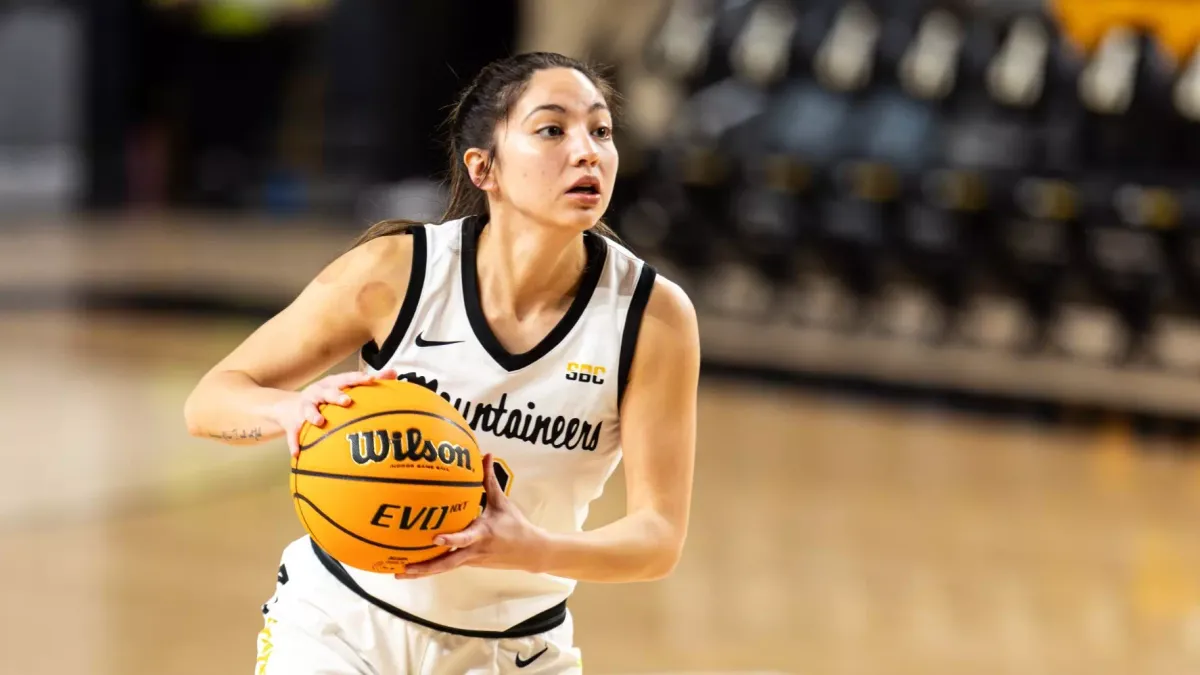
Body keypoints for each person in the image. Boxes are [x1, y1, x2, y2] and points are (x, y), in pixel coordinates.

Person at [183, 52, 701, 674]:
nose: (587, 151)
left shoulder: (652, 317)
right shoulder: (399, 273)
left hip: (512, 649)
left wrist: (533, 549)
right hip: (341, 622)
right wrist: (290, 410)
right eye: (552, 129)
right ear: (485, 168)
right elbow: (210, 401)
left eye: (601, 130)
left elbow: (657, 539)